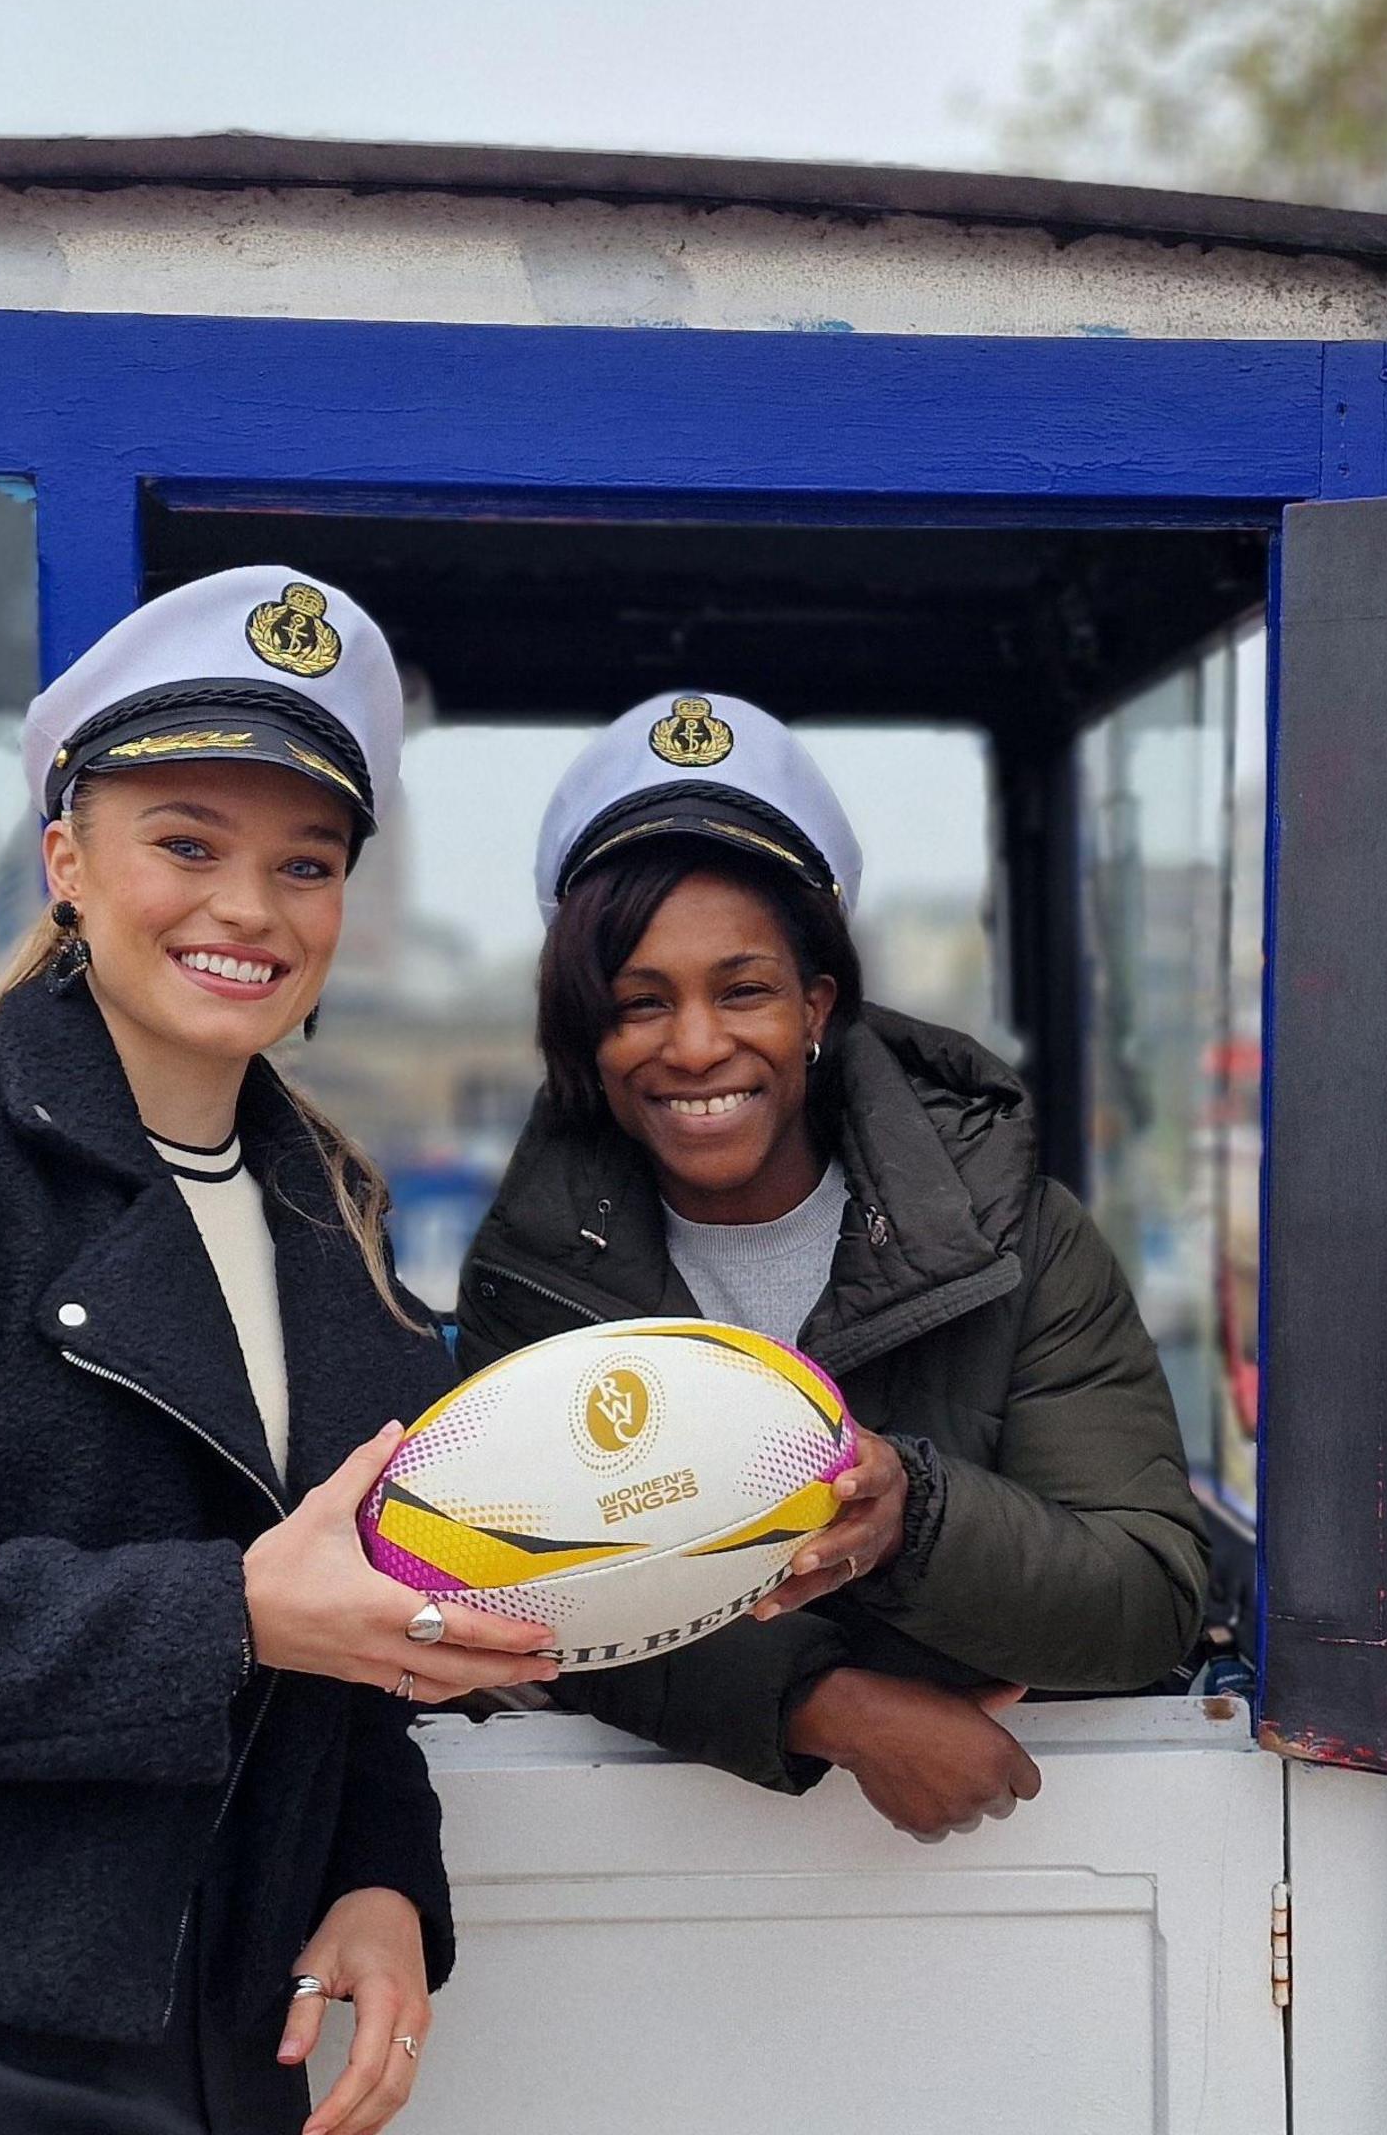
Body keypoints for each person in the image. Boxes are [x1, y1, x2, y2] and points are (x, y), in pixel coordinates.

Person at [0, 567, 560, 2135]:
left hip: (230, 2012)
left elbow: (342, 1631)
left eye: (306, 863)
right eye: (185, 844)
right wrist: (234, 1612)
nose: (249, 910)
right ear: (67, 858)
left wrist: (379, 1874)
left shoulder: (326, 1207)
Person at [453, 691, 1206, 1842]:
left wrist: (917, 1517)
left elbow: (1147, 1597)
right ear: (586, 1038)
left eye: (742, 989)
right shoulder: (533, 1277)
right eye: (638, 1004)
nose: (696, 1046)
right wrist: (833, 1708)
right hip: (661, 1870)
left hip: (1034, 1863)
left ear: (817, 1004)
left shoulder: (1017, 1240)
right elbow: (528, 1597)